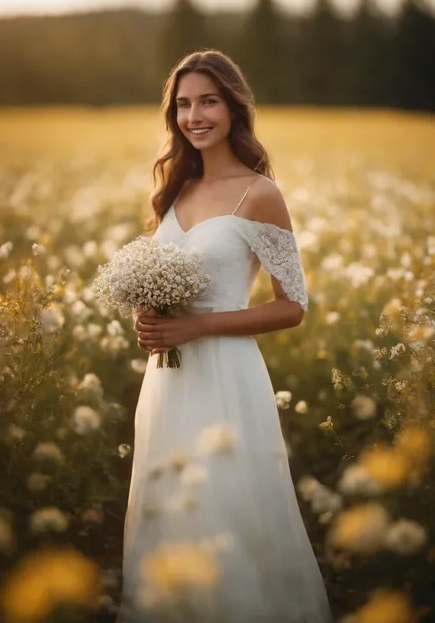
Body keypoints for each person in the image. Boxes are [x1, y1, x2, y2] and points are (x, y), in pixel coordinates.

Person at [119, 49, 333, 623]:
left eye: (208, 101)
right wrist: (150, 313)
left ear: (235, 107)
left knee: (225, 508)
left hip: (227, 380)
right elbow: (169, 277)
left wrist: (198, 324)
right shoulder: (174, 188)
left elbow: (293, 307)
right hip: (167, 384)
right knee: (168, 508)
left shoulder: (259, 194)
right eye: (184, 104)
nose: (195, 115)